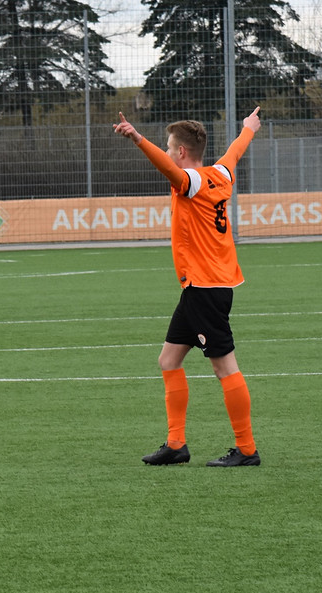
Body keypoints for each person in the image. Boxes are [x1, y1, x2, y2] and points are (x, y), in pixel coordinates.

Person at [114, 108, 262, 467]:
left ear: (181, 152)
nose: (166, 152)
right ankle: (176, 445)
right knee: (168, 360)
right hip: (203, 285)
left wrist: (136, 138)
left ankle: (246, 450)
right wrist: (248, 129)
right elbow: (235, 152)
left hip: (205, 288)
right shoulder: (220, 174)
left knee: (224, 367)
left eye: (169, 147)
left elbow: (167, 170)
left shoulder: (191, 182)